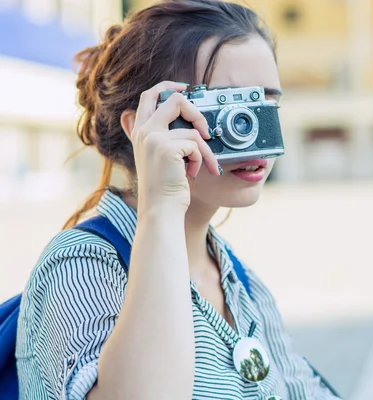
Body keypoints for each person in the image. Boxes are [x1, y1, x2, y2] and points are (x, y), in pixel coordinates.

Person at [15, 1, 341, 399]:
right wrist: (163, 205)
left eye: (264, 101)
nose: (248, 127)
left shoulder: (238, 279)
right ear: (143, 127)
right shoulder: (81, 265)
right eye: (224, 105)